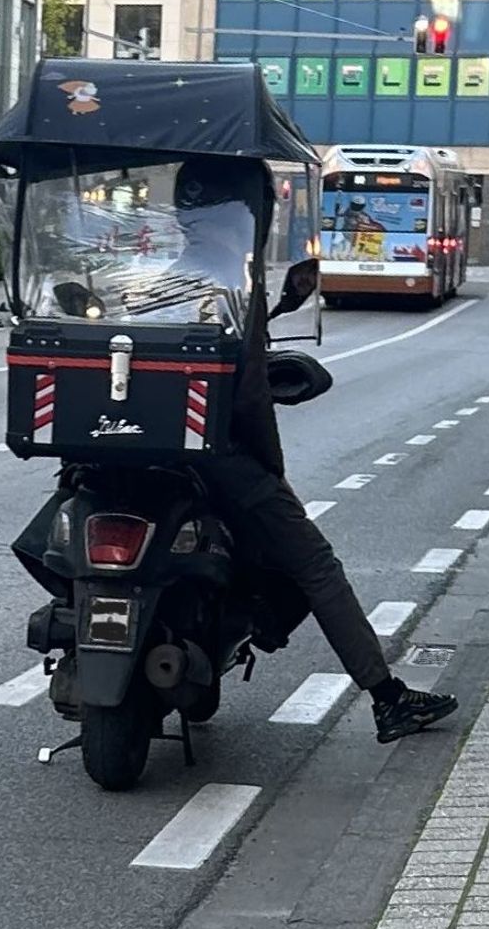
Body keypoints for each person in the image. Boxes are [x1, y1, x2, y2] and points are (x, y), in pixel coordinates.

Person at [174, 158, 458, 744]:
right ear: (249, 215)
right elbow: (250, 399)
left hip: (126, 455)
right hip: (216, 459)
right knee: (315, 565)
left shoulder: (159, 281)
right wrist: (269, 474)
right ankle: (387, 698)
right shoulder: (234, 290)